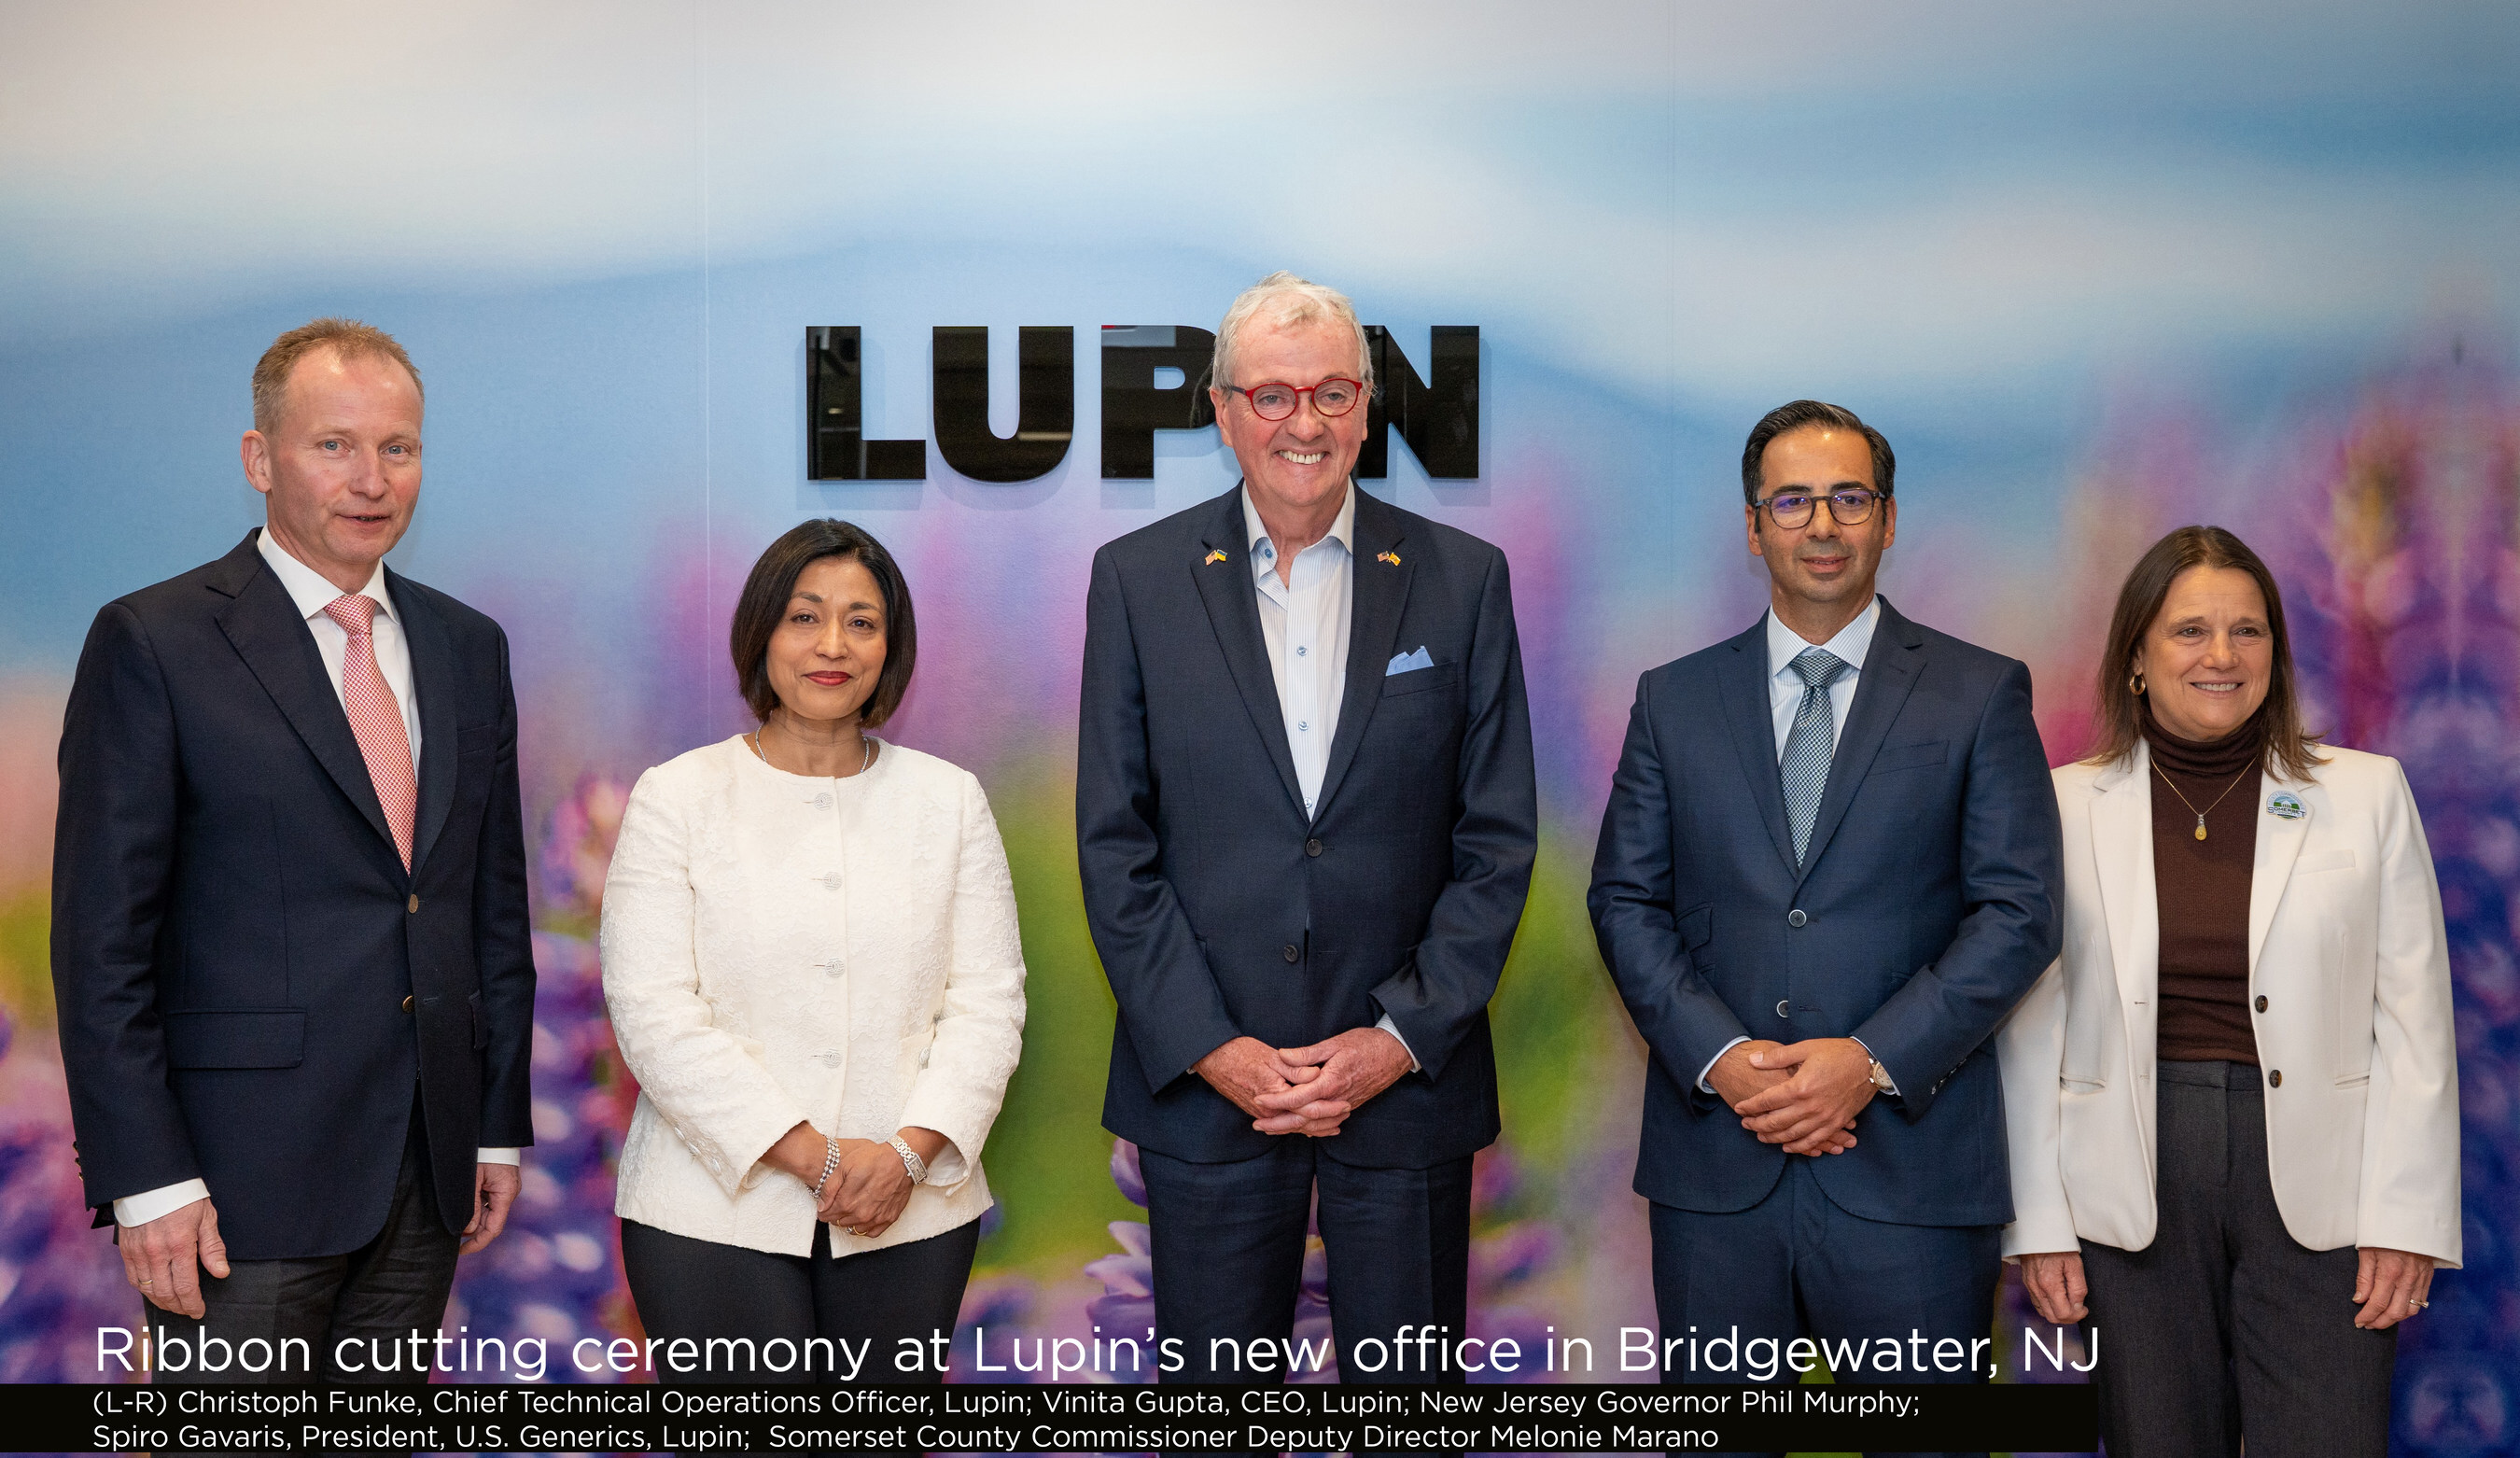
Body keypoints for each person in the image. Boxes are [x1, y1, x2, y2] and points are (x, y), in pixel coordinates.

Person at [52, 318, 535, 1378]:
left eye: (398, 448)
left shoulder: (467, 646)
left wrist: (494, 1124)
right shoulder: (153, 641)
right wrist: (150, 1180)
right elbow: (101, 947)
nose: (372, 479)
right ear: (260, 459)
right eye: (334, 445)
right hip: (233, 1191)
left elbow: (489, 909)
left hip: (425, 1176)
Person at [1076, 272, 1536, 1383]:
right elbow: (1114, 843)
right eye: (1273, 396)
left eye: (1331, 392)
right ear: (1225, 411)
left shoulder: (1463, 579)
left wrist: (1396, 1037)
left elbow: (1497, 842)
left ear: (1368, 408)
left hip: (1404, 1095)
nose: (1304, 422)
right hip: (1207, 1094)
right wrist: (1215, 1046)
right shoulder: (1137, 580)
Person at [1588, 400, 2063, 1429]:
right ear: (1752, 526)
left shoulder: (1980, 693)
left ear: (1889, 519)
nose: (1822, 524)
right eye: (1792, 500)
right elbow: (1625, 899)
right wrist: (1724, 1057)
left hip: (1913, 1173)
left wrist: (1869, 1058)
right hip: (1718, 1170)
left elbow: (2020, 911)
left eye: (1849, 498)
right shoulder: (1672, 699)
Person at [2000, 525, 2458, 1454]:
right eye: (2190, 631)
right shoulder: (2060, 805)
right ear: (2136, 655)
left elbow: (2416, 1023)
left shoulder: (2367, 794)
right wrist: (2037, 1224)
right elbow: (2028, 1032)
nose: (2222, 654)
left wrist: (2408, 1218)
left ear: (2277, 654)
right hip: (2129, 1184)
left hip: (2324, 1187)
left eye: (2248, 631)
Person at [599, 518, 1026, 1383]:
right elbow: (652, 1011)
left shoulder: (949, 801)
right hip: (709, 1215)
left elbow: (990, 1005)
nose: (833, 645)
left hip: (910, 1211)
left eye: (862, 622)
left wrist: (905, 1155)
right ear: (761, 632)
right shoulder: (677, 798)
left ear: (891, 647)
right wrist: (816, 1157)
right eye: (804, 616)